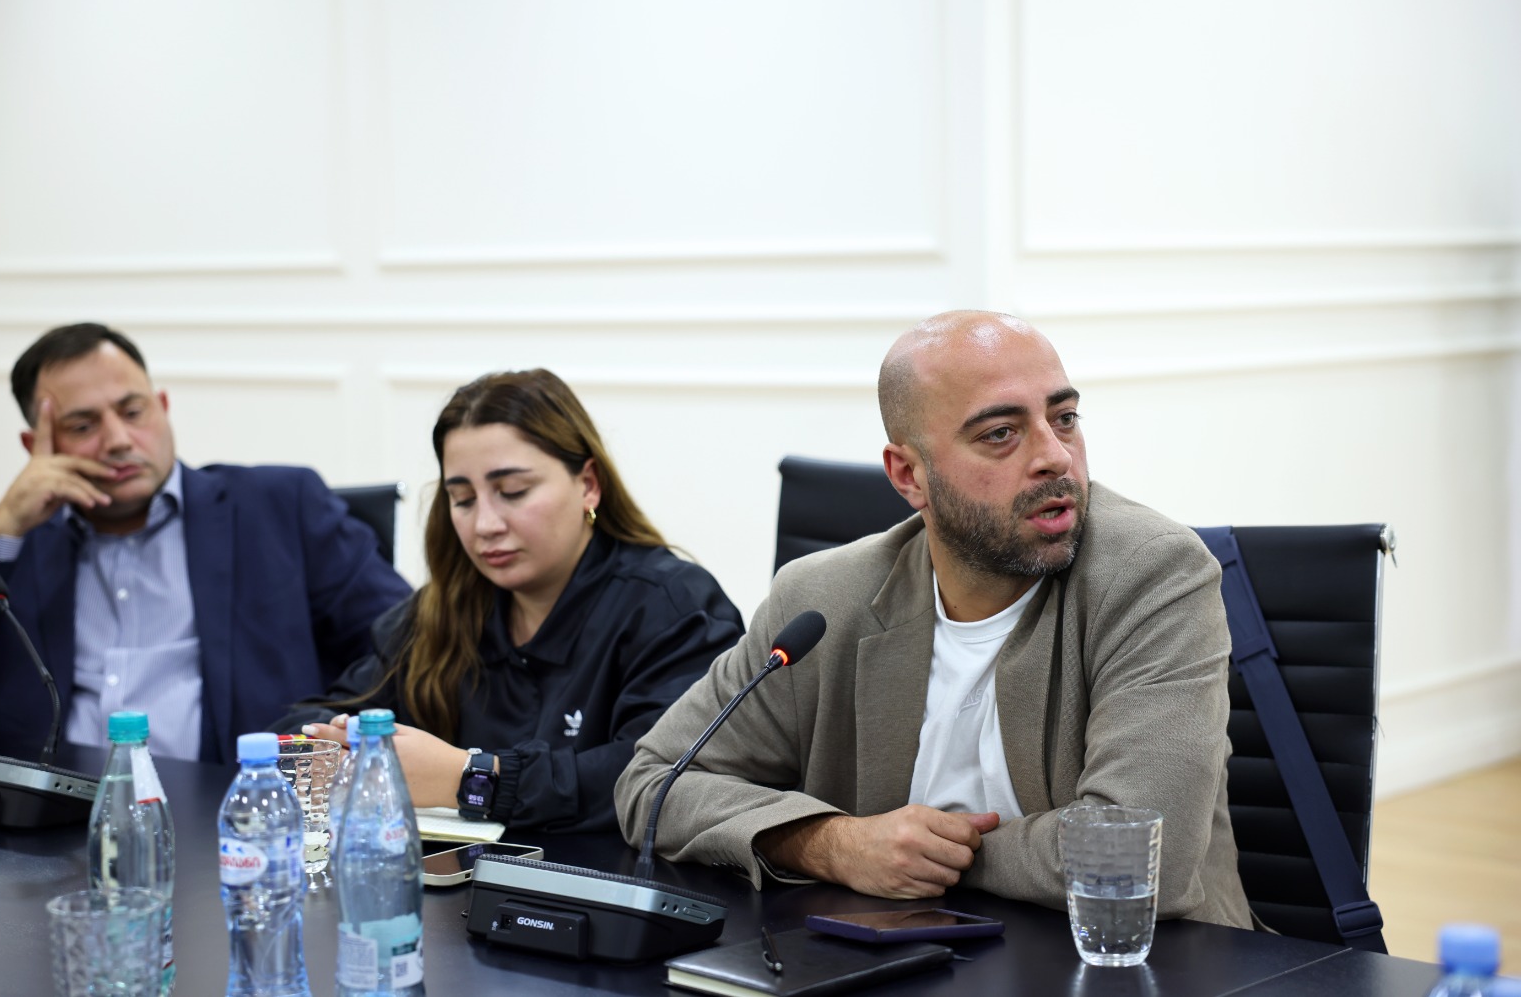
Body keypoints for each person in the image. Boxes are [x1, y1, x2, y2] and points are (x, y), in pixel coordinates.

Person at [615, 311, 1253, 927]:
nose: (1055, 457)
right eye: (1000, 433)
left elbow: (1139, 859)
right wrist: (833, 844)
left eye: (1064, 419)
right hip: (900, 957)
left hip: (1136, 964)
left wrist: (924, 857)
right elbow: (654, 785)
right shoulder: (820, 598)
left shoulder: (1152, 573)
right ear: (908, 475)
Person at [0, 323, 412, 763]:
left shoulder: (279, 508)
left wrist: (326, 737)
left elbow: (412, 650)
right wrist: (1, 530)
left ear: (163, 407)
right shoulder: (13, 550)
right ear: (36, 447)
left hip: (237, 813)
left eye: (133, 411)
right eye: (83, 426)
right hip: (45, 820)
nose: (118, 439)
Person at [284, 369, 744, 833]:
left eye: (513, 492)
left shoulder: (673, 606)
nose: (485, 525)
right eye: (463, 499)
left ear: (588, 483)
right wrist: (335, 744)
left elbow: (665, 780)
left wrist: (470, 778)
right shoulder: (444, 607)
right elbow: (308, 718)